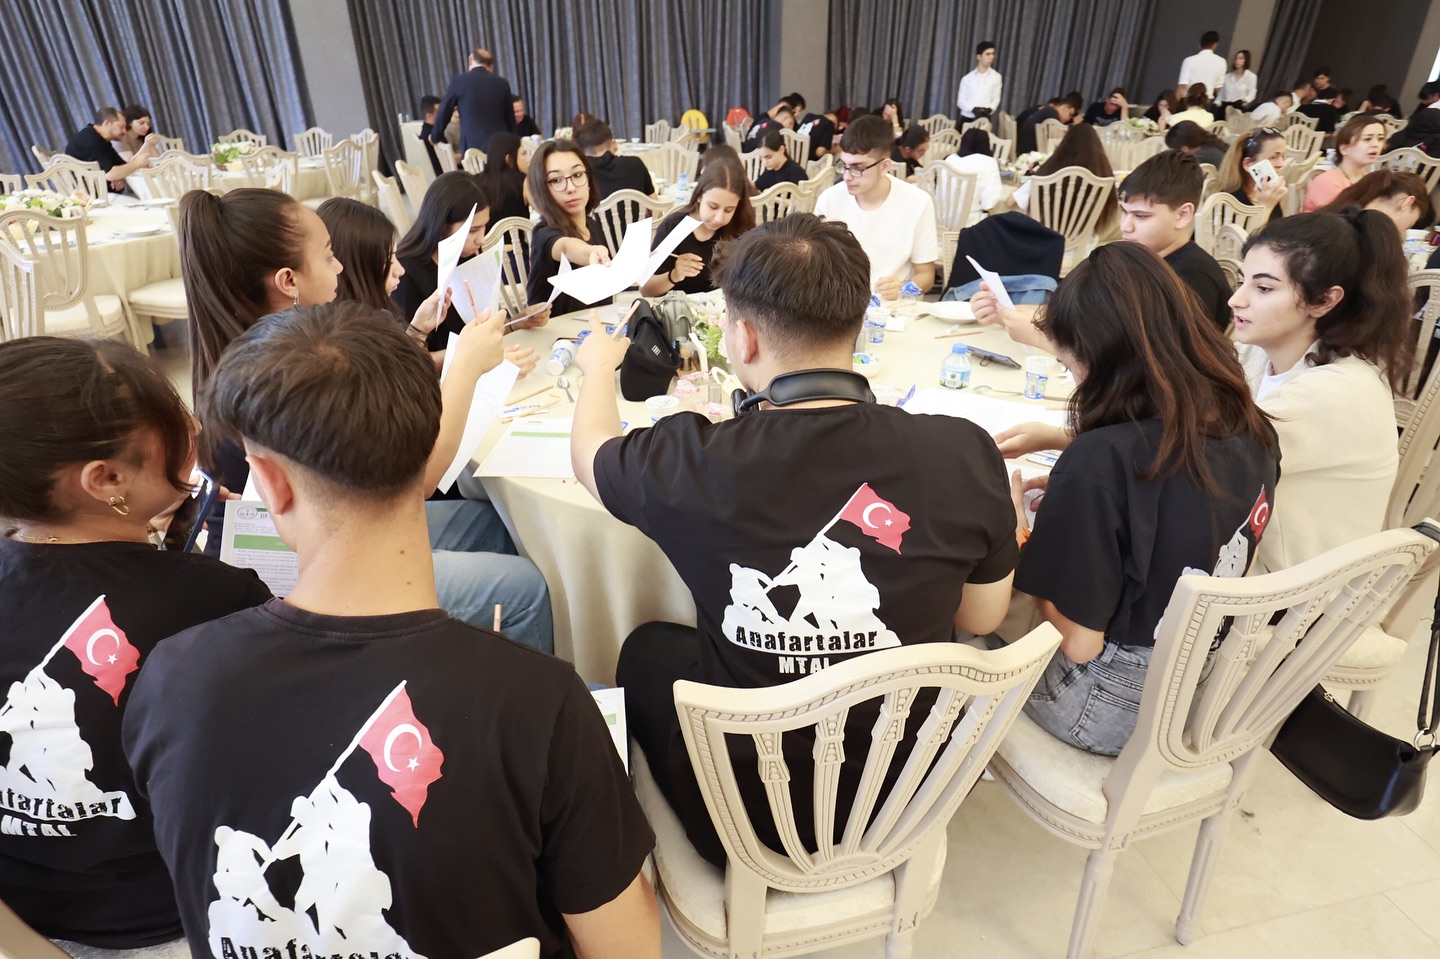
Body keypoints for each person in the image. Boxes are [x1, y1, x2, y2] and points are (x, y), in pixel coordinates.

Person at [123, 303, 658, 959]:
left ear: (271, 483)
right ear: (431, 440)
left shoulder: (171, 677)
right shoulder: (540, 702)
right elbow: (629, 948)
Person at [570, 213, 1017, 865]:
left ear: (744, 338)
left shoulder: (691, 460)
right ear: (856, 324)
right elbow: (982, 617)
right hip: (904, 797)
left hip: (747, 823)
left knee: (644, 647)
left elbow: (589, 454)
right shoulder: (963, 451)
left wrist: (596, 369)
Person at [180, 188, 553, 650]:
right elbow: (416, 481)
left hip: (347, 525)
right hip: (316, 570)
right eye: (328, 255)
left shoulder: (271, 349)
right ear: (288, 281)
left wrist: (430, 343)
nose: (339, 267)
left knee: (493, 523)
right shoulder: (285, 370)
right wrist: (465, 368)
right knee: (524, 589)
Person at [0, 337, 271, 956]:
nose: (194, 427)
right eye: (174, 420)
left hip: (23, 916)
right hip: (165, 917)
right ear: (106, 479)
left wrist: (137, 533)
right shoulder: (215, 599)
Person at [991, 242, 1279, 756]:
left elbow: (1081, 644)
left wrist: (1023, 535)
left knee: (971, 628)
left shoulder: (1100, 461)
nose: (1074, 382)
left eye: (1070, 367)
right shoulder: (1251, 427)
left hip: (1102, 706)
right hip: (1197, 687)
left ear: (1106, 363)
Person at [1229, 210, 1413, 574]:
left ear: (1324, 301)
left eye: (1263, 288)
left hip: (1290, 591)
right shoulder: (1259, 353)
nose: (1237, 299)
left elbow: (1213, 458)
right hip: (1254, 557)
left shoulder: (1337, 391)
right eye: (1241, 281)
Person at [977, 150, 1229, 340]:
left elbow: (1144, 363)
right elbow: (1085, 316)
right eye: (1124, 212)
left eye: (1141, 216)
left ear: (1183, 215)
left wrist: (1037, 337)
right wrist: (1006, 313)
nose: (1126, 226)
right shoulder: (1139, 259)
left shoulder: (1193, 279)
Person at [813, 115, 939, 300]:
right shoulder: (830, 199)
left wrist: (903, 287)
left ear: (884, 166)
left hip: (893, 307)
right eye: (844, 166)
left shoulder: (917, 202)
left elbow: (926, 275)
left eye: (857, 168)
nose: (847, 176)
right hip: (841, 304)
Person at [391, 172, 494, 350]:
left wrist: (516, 323)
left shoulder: (465, 254)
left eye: (484, 226)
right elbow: (410, 357)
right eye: (472, 230)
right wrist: (469, 349)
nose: (481, 239)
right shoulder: (406, 274)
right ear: (443, 226)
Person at [639, 161, 753, 296]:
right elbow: (646, 290)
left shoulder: (741, 227)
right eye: (713, 206)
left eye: (729, 210)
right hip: (678, 307)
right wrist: (674, 275)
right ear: (699, 196)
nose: (719, 218)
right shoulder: (674, 226)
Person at [526, 139, 612, 316]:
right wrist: (589, 252)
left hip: (595, 325)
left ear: (589, 179)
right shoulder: (544, 233)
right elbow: (565, 247)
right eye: (556, 180)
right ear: (542, 189)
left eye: (577, 175)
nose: (571, 188)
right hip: (555, 332)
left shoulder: (591, 225)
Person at [1008, 123, 1117, 229]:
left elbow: (1010, 202)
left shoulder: (1047, 175)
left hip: (1043, 237)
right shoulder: (1103, 178)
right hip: (1085, 239)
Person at [432, 46, 516, 153]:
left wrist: (435, 136)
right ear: (491, 66)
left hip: (472, 146)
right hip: (499, 145)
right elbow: (510, 119)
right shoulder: (502, 84)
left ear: (470, 60)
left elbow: (444, 111)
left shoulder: (459, 81)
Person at [1303, 115, 1388, 212]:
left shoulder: (1368, 179)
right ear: (1343, 149)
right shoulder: (1327, 182)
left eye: (1380, 139)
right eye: (1367, 139)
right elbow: (1330, 219)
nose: (1376, 144)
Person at [63, 106, 157, 192]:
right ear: (107, 123)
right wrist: (137, 163)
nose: (125, 131)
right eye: (121, 127)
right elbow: (110, 174)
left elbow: (122, 166)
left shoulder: (101, 139)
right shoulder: (89, 139)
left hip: (103, 192)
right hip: (91, 197)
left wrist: (119, 175)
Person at [1317, 170, 1434, 234]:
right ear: (1407, 203)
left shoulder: (1343, 213)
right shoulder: (1372, 234)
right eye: (1409, 224)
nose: (1404, 230)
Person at [1216, 127, 1288, 223]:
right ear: (1248, 164)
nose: (1281, 164)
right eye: (1273, 157)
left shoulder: (1267, 191)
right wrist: (1266, 206)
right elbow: (1253, 233)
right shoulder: (1229, 202)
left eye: (1282, 156)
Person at [574, 118, 655, 199]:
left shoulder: (581, 173)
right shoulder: (636, 164)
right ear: (614, 144)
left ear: (581, 151)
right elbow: (654, 204)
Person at [943, 128, 1003, 224]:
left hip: (941, 220)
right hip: (972, 222)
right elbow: (989, 202)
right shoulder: (988, 162)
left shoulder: (949, 159)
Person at [478, 132, 531, 222]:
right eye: (523, 153)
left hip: (486, 231)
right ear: (509, 159)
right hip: (519, 231)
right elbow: (543, 210)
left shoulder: (476, 181)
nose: (528, 159)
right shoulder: (523, 181)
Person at [956, 40, 1003, 121]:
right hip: (967, 117)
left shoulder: (996, 77)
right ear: (979, 57)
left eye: (992, 54)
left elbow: (996, 98)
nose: (991, 57)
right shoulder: (967, 78)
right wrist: (973, 109)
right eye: (987, 54)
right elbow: (960, 101)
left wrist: (990, 109)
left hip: (985, 118)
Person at [786, 92, 837, 161]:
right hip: (808, 162)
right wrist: (835, 150)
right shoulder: (829, 124)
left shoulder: (808, 117)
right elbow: (820, 152)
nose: (797, 114)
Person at [1178, 30, 1227, 98]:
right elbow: (1218, 88)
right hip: (1206, 99)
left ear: (1199, 45)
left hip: (1189, 99)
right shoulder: (1221, 62)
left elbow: (1182, 86)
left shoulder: (1189, 60)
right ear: (1215, 45)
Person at [417, 94, 444, 176]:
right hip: (445, 174)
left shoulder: (425, 132)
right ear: (428, 115)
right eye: (438, 112)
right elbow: (450, 159)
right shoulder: (433, 135)